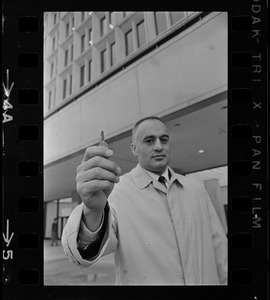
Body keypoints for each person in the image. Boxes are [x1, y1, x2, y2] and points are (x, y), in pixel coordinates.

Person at [62, 116, 227, 285]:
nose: (159, 146)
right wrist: (93, 212)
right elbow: (83, 251)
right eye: (149, 140)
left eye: (164, 140)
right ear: (134, 148)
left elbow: (220, 251)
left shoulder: (197, 190)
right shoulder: (116, 192)